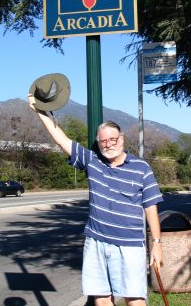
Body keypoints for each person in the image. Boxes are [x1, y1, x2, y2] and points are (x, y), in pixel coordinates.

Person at [28, 94, 163, 306]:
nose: (108, 144)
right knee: (101, 298)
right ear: (98, 143)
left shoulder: (141, 168)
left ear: (122, 139)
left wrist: (156, 244)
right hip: (96, 242)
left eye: (113, 139)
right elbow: (61, 139)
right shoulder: (93, 161)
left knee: (135, 299)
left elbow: (151, 207)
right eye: (103, 141)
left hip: (130, 246)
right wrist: (40, 111)